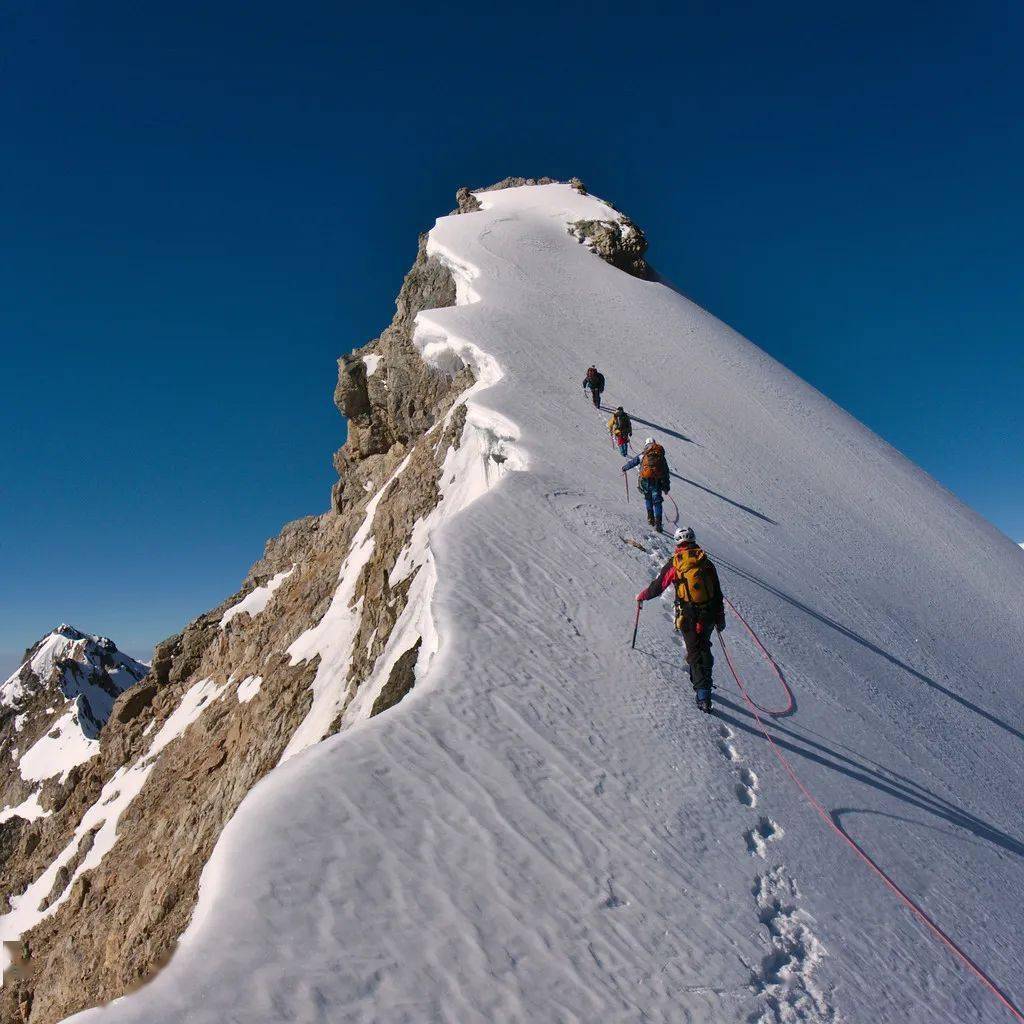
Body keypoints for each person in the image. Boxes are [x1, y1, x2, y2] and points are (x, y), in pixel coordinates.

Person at [636, 527, 726, 712]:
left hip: (689, 616)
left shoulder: (676, 563)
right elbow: (717, 592)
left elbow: (658, 587)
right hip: (708, 614)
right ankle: (703, 682)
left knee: (694, 653)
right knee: (704, 647)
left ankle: (703, 695)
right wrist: (720, 617)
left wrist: (642, 596)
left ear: (677, 542)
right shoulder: (706, 562)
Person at [623, 437, 670, 532]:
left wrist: (625, 468)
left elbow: (633, 462)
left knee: (648, 498)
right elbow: (665, 472)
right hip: (657, 482)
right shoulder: (660, 456)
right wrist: (666, 486)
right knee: (657, 502)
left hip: (644, 481)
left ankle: (650, 518)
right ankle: (658, 524)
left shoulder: (644, 455)